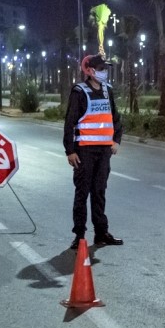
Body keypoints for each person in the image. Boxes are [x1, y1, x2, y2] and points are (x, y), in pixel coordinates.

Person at [64, 54, 124, 250]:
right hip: (84, 152)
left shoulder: (108, 91)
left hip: (104, 151)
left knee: (99, 192)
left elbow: (115, 118)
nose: (104, 72)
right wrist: (70, 151)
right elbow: (69, 123)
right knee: (82, 193)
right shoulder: (79, 92)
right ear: (89, 71)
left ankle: (101, 233)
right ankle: (79, 236)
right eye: (100, 69)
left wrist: (116, 140)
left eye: (105, 69)